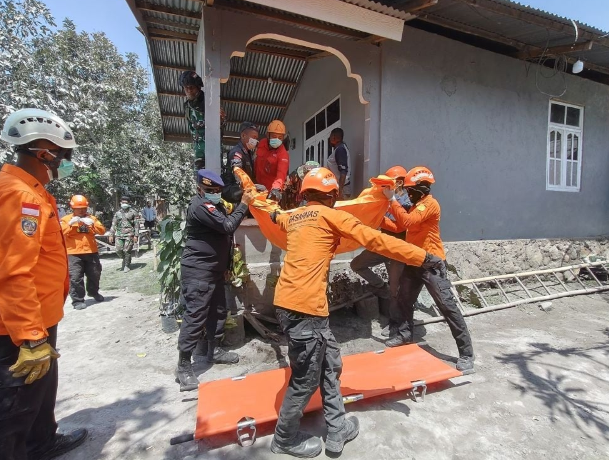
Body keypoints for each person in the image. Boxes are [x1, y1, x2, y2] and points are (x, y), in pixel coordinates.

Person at [269, 167, 445, 457]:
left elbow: (276, 214)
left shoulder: (294, 217)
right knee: (305, 378)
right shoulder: (333, 215)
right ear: (333, 196)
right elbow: (378, 241)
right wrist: (424, 257)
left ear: (305, 195)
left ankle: (337, 428)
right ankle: (283, 439)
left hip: (297, 306)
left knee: (329, 365)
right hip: (304, 310)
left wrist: (262, 204)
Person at [0, 108, 87, 459]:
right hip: (20, 327)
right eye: (62, 157)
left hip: (39, 315)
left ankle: (43, 441)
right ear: (44, 152)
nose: (63, 164)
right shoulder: (20, 196)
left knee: (40, 390)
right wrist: (31, 336)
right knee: (16, 407)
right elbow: (12, 271)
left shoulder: (33, 191)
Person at [382, 166, 475, 372]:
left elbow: (406, 220)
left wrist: (392, 200)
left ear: (421, 189)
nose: (407, 193)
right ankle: (405, 334)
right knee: (405, 299)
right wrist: (378, 219)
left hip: (431, 263)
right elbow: (400, 227)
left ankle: (466, 353)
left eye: (409, 190)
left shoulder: (430, 205)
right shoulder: (417, 206)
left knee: (447, 306)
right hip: (414, 260)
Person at [175, 169, 255, 392]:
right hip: (198, 271)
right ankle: (183, 366)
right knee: (195, 316)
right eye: (210, 190)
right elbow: (228, 226)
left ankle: (214, 350)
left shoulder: (216, 203)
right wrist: (245, 204)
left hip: (215, 270)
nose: (214, 194)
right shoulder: (201, 207)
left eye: (217, 191)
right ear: (200, 189)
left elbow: (230, 199)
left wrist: (247, 191)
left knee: (218, 311)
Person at [350, 165, 412, 336]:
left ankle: (397, 325)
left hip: (397, 248)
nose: (386, 187)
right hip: (383, 244)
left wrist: (379, 220)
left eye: (389, 184)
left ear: (399, 183)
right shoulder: (385, 198)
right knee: (357, 264)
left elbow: (399, 228)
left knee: (396, 290)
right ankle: (380, 287)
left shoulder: (406, 202)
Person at [60, 194, 106, 310]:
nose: (81, 211)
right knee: (75, 277)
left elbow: (102, 231)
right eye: (78, 209)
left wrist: (92, 223)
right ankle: (77, 300)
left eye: (83, 208)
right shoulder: (66, 220)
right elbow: (60, 233)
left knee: (95, 274)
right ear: (73, 208)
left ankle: (93, 292)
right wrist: (70, 224)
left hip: (91, 251)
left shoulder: (92, 218)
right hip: (73, 253)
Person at [180, 70, 226, 170]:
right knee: (200, 181)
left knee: (215, 180)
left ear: (198, 87)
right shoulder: (187, 106)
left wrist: (221, 120)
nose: (188, 90)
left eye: (191, 87)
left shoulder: (211, 101)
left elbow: (221, 126)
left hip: (213, 149)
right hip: (199, 152)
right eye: (186, 88)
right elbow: (191, 128)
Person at [221, 122, 259, 203]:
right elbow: (238, 175)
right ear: (243, 136)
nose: (255, 141)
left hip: (243, 190)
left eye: (256, 138)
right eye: (254, 137)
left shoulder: (248, 153)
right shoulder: (237, 153)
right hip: (234, 192)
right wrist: (254, 188)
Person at [254, 120, 290, 202]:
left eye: (280, 137)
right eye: (274, 136)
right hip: (255, 185)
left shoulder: (283, 154)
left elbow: (281, 174)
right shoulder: (261, 144)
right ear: (268, 135)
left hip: (269, 191)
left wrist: (276, 189)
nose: (277, 139)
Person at [109, 196, 139, 272]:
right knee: (118, 250)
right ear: (120, 203)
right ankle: (125, 259)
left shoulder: (133, 212)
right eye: (123, 202)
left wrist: (136, 235)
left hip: (129, 234)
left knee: (126, 250)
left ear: (129, 203)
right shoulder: (117, 213)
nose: (124, 204)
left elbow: (136, 225)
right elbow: (114, 224)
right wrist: (111, 234)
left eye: (126, 203)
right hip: (119, 234)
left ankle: (126, 265)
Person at [327, 128, 351, 200]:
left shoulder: (340, 150)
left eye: (330, 136)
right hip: (340, 188)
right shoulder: (340, 148)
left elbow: (343, 171)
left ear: (334, 137)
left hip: (342, 189)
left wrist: (340, 192)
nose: (329, 138)